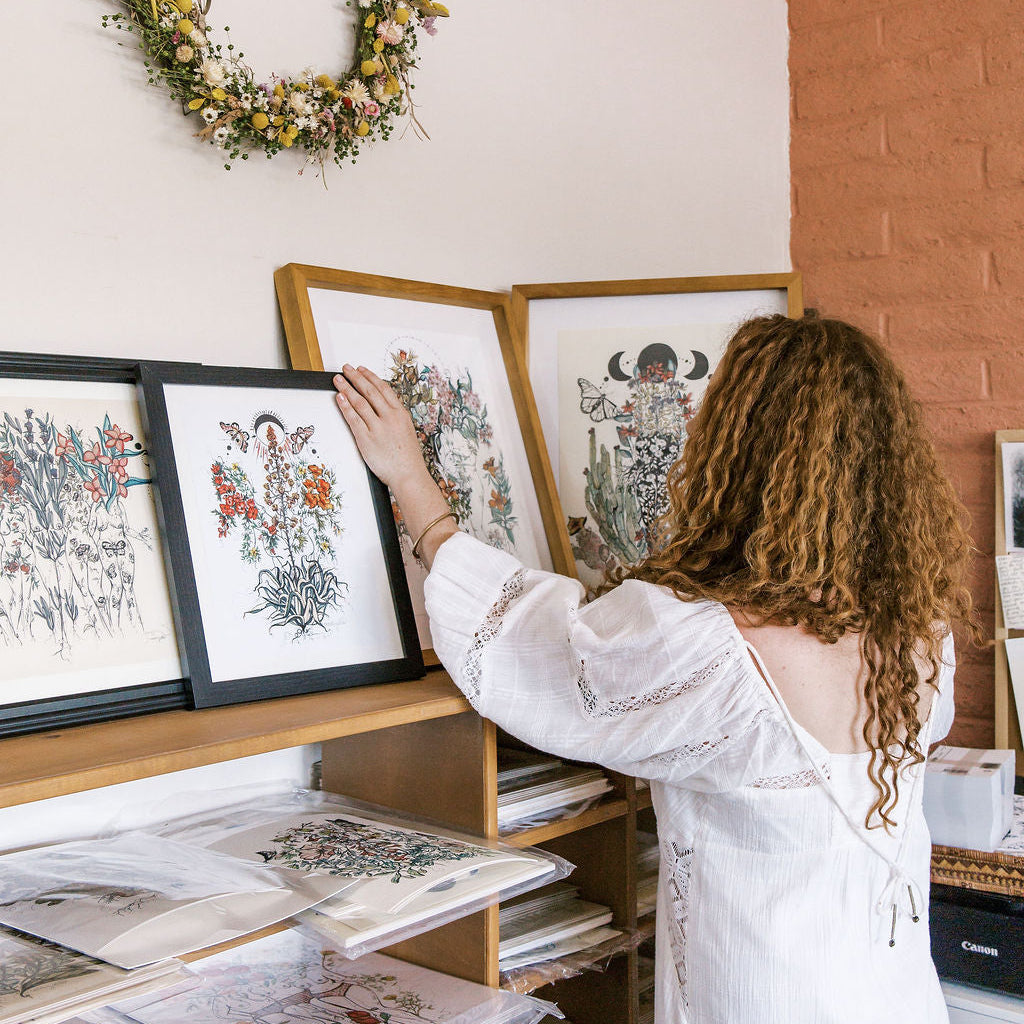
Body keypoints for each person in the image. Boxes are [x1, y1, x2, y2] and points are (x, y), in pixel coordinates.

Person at [333, 313, 980, 1024]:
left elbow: (533, 648)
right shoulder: (920, 631)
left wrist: (413, 483)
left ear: (739, 451)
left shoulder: (704, 638)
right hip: (898, 998)